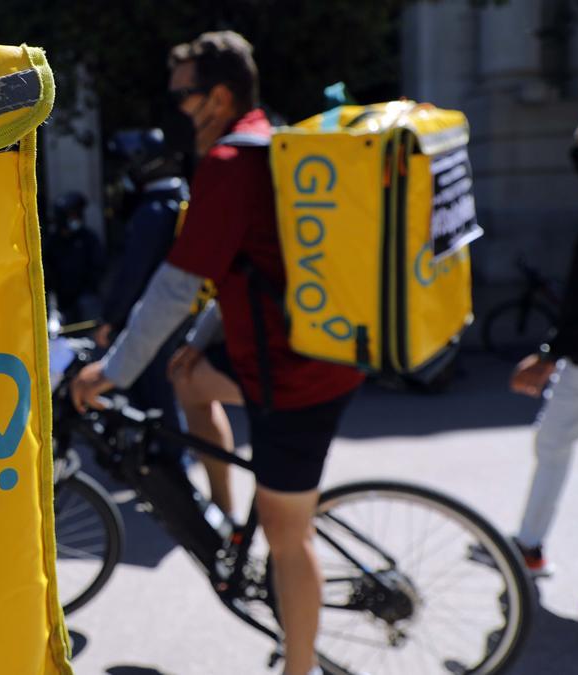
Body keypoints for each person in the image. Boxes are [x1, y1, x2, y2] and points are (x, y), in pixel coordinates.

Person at [70, 31, 363, 675]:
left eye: (183, 95)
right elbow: (242, 272)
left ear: (219, 96)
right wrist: (194, 346)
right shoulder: (268, 138)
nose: (174, 108)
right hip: (288, 351)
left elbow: (176, 286)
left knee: (290, 540)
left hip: (295, 377)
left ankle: (300, 667)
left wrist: (112, 371)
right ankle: (231, 519)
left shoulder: (231, 164)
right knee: (188, 380)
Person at [97, 128, 243, 514]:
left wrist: (111, 321)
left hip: (155, 323)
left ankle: (176, 485)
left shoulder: (153, 210)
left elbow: (144, 276)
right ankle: (210, 501)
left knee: (161, 402)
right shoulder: (182, 198)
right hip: (187, 320)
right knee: (178, 393)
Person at [511, 100, 578, 576]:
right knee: (551, 444)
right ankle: (527, 546)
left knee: (551, 445)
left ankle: (527, 547)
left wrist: (550, 354)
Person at [43, 192, 105, 324]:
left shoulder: (88, 239)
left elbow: (98, 267)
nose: (76, 219)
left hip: (85, 299)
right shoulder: (52, 242)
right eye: (72, 215)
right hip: (61, 303)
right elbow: (47, 274)